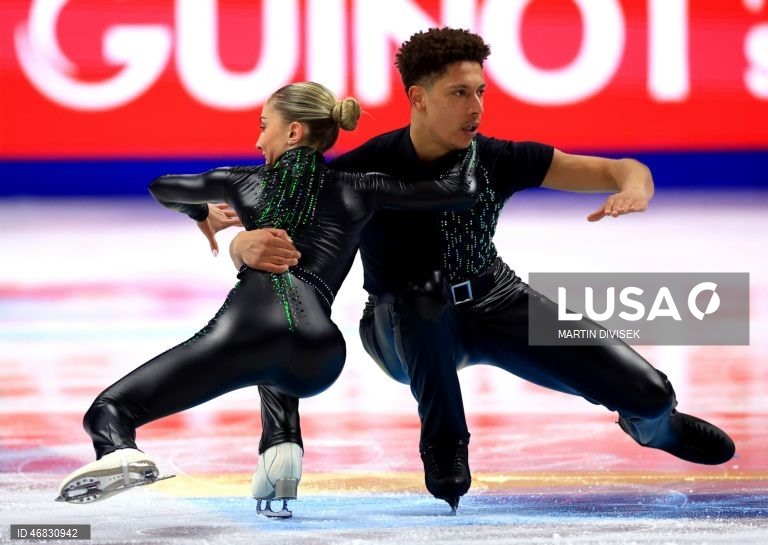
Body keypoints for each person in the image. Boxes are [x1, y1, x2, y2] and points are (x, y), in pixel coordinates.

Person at [230, 28, 736, 513]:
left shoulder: (496, 159)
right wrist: (242, 245)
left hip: (496, 302)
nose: (475, 108)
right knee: (424, 296)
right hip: (400, 325)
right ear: (419, 98)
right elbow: (284, 295)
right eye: (458, 93)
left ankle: (655, 427)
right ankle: (445, 445)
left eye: (480, 92)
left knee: (649, 395)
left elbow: (620, 168)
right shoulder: (359, 173)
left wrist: (634, 188)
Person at [56, 81, 478, 517]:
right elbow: (460, 191)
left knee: (109, 410)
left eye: (264, 127)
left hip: (251, 332)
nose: (258, 141)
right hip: (322, 355)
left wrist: (202, 212)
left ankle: (119, 450)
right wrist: (466, 137)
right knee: (274, 357)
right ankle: (281, 448)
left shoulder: (242, 180)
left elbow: (162, 187)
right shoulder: (362, 186)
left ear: (293, 133)